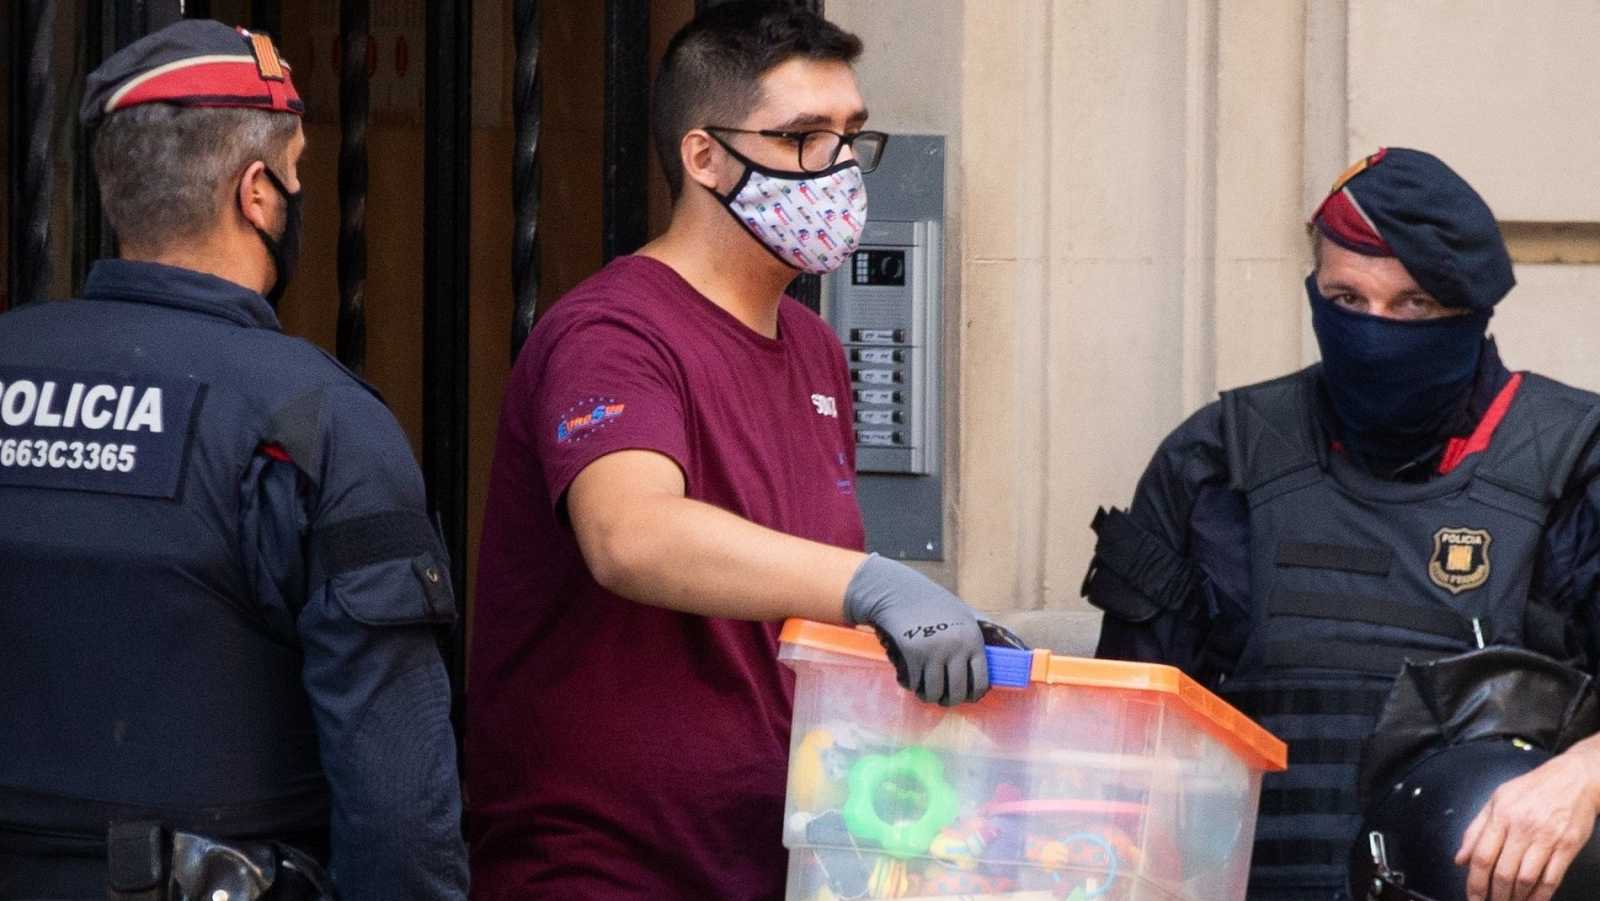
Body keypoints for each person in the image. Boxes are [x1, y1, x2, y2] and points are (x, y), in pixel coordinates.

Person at [467, 4, 1008, 898]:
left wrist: (926, 645)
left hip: (773, 861)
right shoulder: (613, 332)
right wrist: (875, 584)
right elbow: (630, 534)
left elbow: (791, 602)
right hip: (606, 869)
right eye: (802, 136)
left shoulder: (815, 349)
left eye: (851, 135)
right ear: (704, 156)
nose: (837, 165)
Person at [0, 21, 467, 900]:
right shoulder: (318, 421)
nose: (297, 193)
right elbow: (398, 808)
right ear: (256, 194)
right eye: (295, 171)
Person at [1082, 147, 1600, 901]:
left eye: (1413, 305)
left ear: (1471, 312)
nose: (1375, 331)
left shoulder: (1577, 465)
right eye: (1346, 299)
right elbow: (1125, 745)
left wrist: (1585, 774)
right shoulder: (1217, 461)